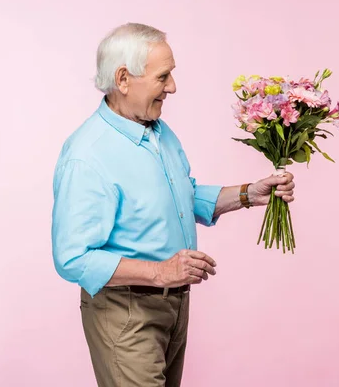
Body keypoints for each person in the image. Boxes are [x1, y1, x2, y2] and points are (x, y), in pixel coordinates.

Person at [51, 22, 295, 387]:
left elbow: (180, 195)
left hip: (175, 303)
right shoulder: (87, 155)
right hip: (126, 310)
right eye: (163, 76)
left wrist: (248, 193)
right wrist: (160, 272)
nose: (173, 87)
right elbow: (72, 257)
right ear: (123, 79)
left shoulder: (158, 131)